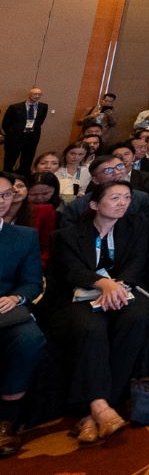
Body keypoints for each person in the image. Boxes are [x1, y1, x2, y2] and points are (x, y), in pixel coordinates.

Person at [48, 180, 149, 444]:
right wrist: (103, 284)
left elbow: (137, 264)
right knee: (90, 327)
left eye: (127, 198)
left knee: (137, 316)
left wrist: (117, 287)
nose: (122, 203)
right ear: (94, 204)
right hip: (79, 295)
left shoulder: (135, 228)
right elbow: (72, 271)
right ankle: (97, 407)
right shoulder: (68, 235)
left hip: (122, 291)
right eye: (115, 198)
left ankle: (98, 408)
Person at [0, 171, 44, 456]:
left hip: (6, 308)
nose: (2, 201)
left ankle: (6, 419)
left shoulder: (24, 236)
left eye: (6, 195)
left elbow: (32, 282)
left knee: (30, 338)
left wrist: (16, 297)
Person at [1, 88, 47, 175]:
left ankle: (23, 177)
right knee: (10, 160)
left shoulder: (43, 107)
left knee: (27, 160)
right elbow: (5, 124)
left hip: (32, 137)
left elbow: (40, 121)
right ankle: (6, 177)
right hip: (15, 137)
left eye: (39, 94)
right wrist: (12, 134)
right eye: (35, 94)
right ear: (29, 94)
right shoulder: (15, 107)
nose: (37, 96)